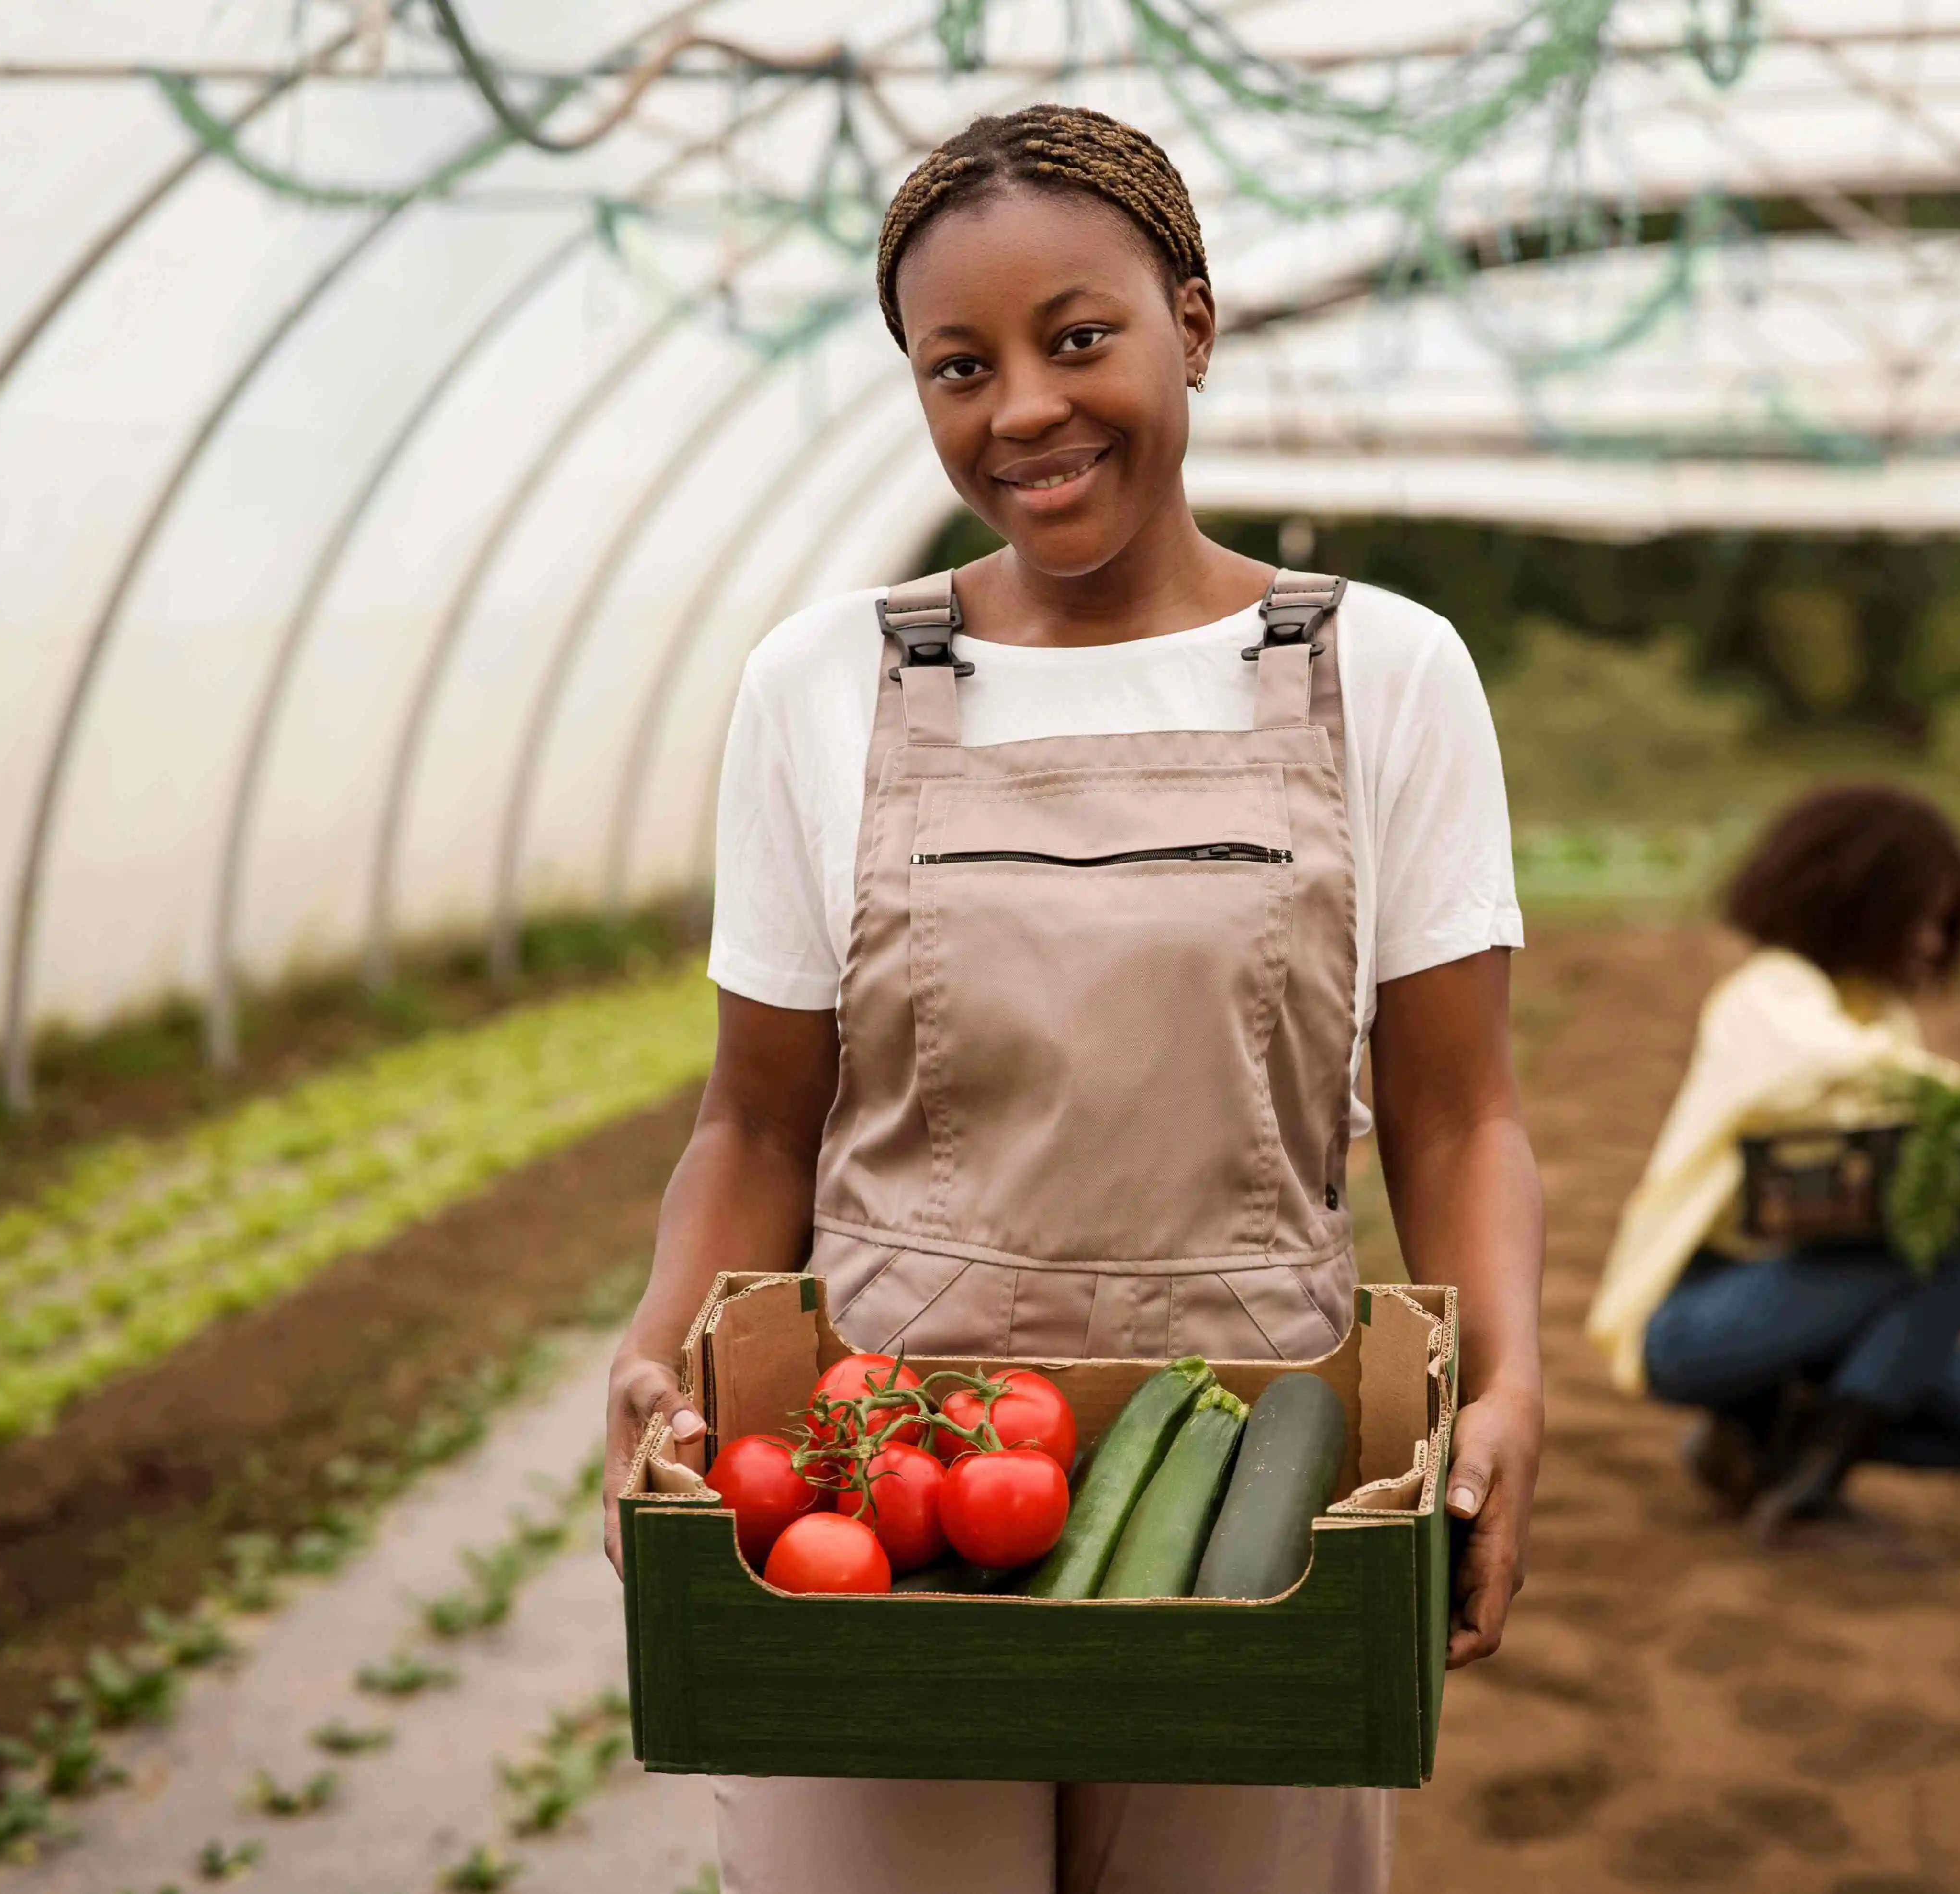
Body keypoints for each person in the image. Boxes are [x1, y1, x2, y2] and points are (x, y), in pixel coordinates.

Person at [595, 105, 1543, 1894]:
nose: (1022, 406)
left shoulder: (1385, 673)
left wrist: (1508, 1383)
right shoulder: (821, 685)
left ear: (1194, 320)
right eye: (959, 366)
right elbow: (756, 1119)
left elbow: (1455, 1111)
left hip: (1258, 1482)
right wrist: (665, 1344)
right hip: (884, 1477)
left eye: (1077, 337)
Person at [1583, 784, 1960, 1543]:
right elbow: (1820, 1072)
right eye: (1923, 917)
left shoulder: (1879, 1020)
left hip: (1804, 1299)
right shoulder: (1767, 996)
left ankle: (1760, 1441)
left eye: (1945, 924)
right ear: (1859, 899)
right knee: (1952, 1265)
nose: (1934, 944)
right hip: (1696, 1314)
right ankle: (1807, 1493)